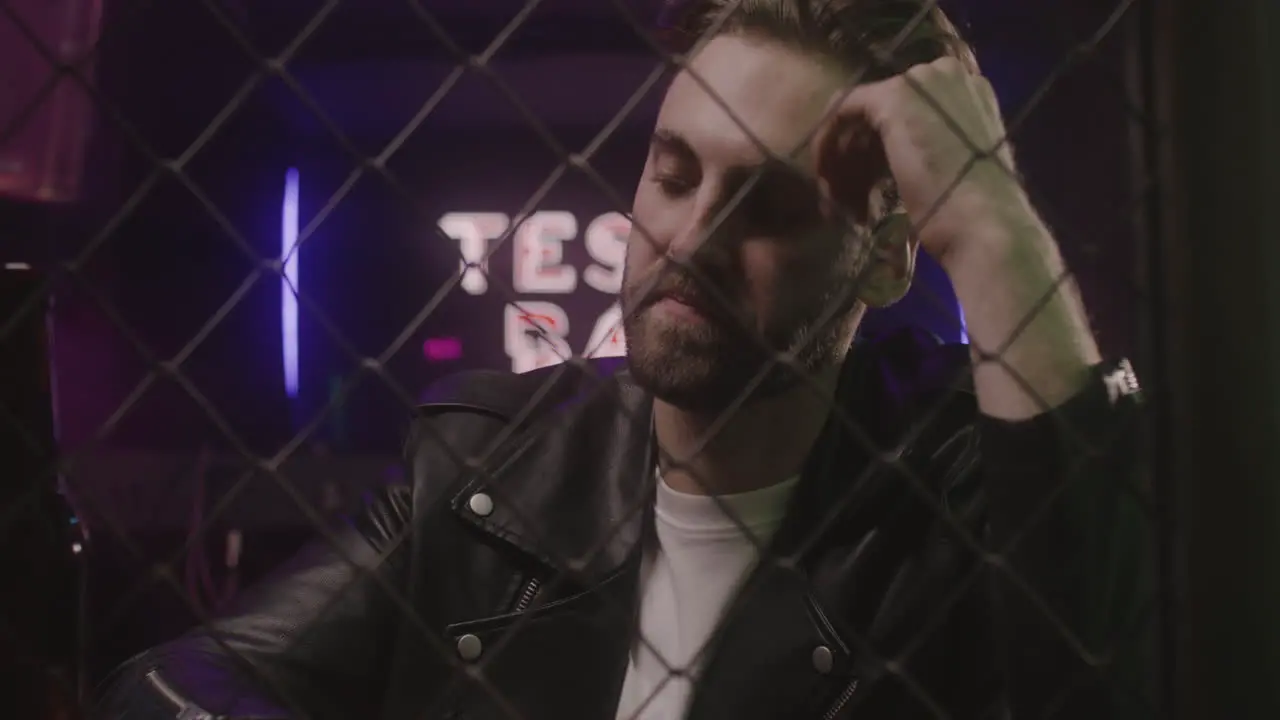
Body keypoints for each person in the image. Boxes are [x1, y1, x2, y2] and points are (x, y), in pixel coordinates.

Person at [93, 1, 1150, 718]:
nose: (689, 240)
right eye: (673, 172)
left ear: (880, 265)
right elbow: (179, 693)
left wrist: (988, 224)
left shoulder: (955, 491)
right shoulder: (487, 471)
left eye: (769, 204)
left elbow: (1107, 669)